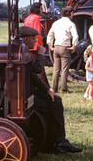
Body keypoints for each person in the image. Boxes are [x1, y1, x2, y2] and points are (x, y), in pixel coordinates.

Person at [20, 26, 82, 154]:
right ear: (26, 39)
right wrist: (41, 53)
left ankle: (59, 141)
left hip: (28, 92)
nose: (35, 41)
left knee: (55, 100)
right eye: (33, 39)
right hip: (23, 95)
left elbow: (33, 74)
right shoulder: (23, 52)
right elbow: (36, 69)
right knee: (49, 105)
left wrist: (48, 90)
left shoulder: (23, 51)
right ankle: (54, 142)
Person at [46, 6, 79, 93]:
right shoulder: (71, 24)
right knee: (64, 70)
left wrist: (50, 46)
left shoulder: (56, 23)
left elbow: (50, 35)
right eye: (72, 13)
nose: (73, 14)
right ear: (69, 13)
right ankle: (64, 89)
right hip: (65, 47)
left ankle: (54, 88)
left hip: (56, 47)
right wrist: (74, 46)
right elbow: (76, 36)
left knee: (56, 69)